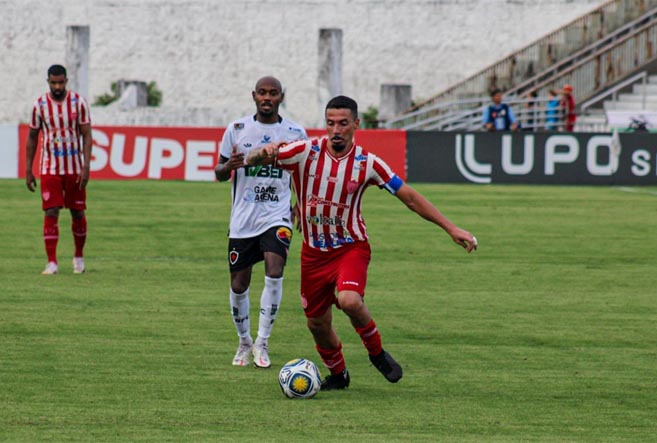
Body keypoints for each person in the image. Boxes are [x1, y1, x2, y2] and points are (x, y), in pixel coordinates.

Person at [245, 95, 477, 390]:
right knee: (317, 324)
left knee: (350, 300)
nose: (336, 130)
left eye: (343, 123)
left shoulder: (368, 164)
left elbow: (409, 197)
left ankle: (377, 354)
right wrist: (263, 152)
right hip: (313, 254)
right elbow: (251, 161)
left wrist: (451, 228)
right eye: (330, 123)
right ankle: (338, 375)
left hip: (350, 247)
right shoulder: (304, 151)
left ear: (356, 124)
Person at [214, 76, 308, 369]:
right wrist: (228, 167)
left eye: (273, 93)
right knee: (239, 284)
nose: (267, 98)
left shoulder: (295, 132)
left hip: (276, 215)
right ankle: (244, 342)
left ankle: (263, 342)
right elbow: (218, 172)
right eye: (263, 93)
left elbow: (305, 172)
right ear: (254, 96)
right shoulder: (236, 129)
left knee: (275, 270)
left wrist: (300, 203)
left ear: (282, 97)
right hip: (243, 219)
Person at [25, 64, 92, 275]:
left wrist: (86, 166)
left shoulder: (78, 103)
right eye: (53, 83)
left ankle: (78, 257)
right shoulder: (39, 105)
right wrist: (28, 169)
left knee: (77, 211)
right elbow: (32, 137)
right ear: (48, 82)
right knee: (51, 210)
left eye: (61, 82)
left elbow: (87, 135)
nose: (57, 87)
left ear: (66, 81)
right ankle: (52, 262)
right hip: (49, 167)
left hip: (74, 168)